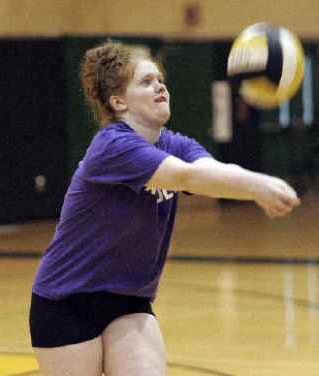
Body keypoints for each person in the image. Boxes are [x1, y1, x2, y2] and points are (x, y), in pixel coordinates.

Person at [29, 40, 300, 376]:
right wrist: (258, 187)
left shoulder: (175, 143)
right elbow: (186, 176)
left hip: (129, 301)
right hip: (68, 302)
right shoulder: (112, 145)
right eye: (146, 82)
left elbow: (209, 172)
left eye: (160, 79)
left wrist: (255, 183)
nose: (160, 86)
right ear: (118, 102)